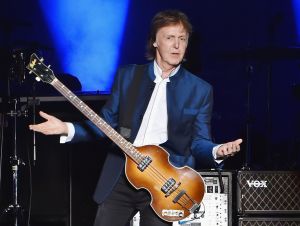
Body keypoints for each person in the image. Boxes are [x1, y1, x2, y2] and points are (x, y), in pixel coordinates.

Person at [29, 9, 242, 226]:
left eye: (182, 39)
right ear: (155, 42)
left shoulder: (200, 90)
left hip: (166, 184)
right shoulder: (129, 76)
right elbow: (105, 123)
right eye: (170, 38)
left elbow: (199, 142)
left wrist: (217, 150)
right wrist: (66, 128)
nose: (177, 45)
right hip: (122, 174)